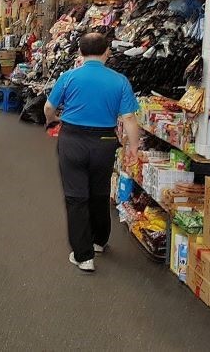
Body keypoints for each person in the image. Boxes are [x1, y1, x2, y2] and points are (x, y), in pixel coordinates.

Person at [44, 32, 140, 273]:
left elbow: (48, 107)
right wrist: (134, 148)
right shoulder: (120, 81)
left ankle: (83, 255)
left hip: (73, 139)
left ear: (80, 52)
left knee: (76, 196)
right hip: (106, 139)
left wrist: (53, 119)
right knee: (99, 192)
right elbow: (128, 118)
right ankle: (99, 241)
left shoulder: (68, 77)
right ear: (107, 51)